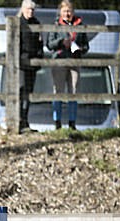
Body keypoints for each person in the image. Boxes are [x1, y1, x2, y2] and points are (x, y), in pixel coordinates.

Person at [45, 0, 89, 130]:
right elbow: (49, 44)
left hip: (75, 61)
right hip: (59, 61)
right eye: (64, 11)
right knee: (58, 91)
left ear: (73, 12)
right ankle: (57, 122)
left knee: (73, 91)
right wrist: (61, 42)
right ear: (60, 12)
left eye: (69, 11)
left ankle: (72, 122)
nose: (67, 13)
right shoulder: (56, 25)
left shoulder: (80, 25)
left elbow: (86, 45)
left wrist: (80, 48)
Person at [18, 0, 43, 132]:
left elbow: (40, 42)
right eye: (28, 9)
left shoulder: (37, 23)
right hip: (21, 64)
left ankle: (25, 120)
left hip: (33, 63)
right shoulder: (18, 23)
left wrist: (39, 58)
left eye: (32, 10)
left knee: (29, 92)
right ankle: (18, 120)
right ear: (23, 9)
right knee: (20, 91)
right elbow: (14, 44)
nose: (30, 12)